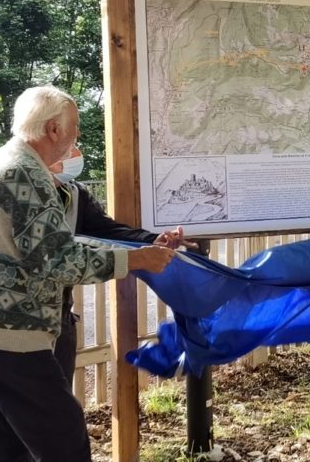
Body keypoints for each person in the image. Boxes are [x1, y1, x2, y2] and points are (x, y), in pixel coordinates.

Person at [0, 86, 175, 462]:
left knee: (13, 444)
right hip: (12, 334)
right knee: (64, 445)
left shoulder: (4, 162)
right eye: (74, 128)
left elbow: (63, 242)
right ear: (54, 129)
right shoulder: (24, 175)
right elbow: (57, 260)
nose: (77, 138)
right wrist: (135, 260)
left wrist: (142, 245)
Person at [48, 147, 199, 384]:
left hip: (61, 314)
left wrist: (153, 240)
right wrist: (134, 258)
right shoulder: (25, 193)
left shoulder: (75, 193)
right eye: (68, 145)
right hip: (24, 323)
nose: (76, 150)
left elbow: (108, 231)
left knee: (57, 391)